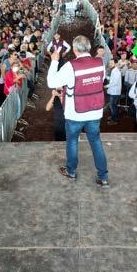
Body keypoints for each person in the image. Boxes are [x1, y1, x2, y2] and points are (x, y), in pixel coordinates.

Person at [47, 35, 109, 187]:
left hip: (75, 113)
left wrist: (54, 61)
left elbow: (51, 82)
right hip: (94, 111)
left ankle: (71, 171)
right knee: (96, 142)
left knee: (72, 141)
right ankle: (103, 176)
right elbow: (101, 81)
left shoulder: (70, 66)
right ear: (89, 48)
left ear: (74, 49)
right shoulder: (100, 63)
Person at [105, 59, 122, 125]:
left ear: (115, 64)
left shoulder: (116, 71)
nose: (110, 65)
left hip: (115, 92)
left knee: (112, 106)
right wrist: (106, 77)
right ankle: (113, 116)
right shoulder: (114, 70)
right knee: (113, 105)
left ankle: (114, 120)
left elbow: (114, 83)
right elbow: (112, 80)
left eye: (112, 63)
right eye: (110, 63)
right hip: (113, 91)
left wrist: (106, 86)